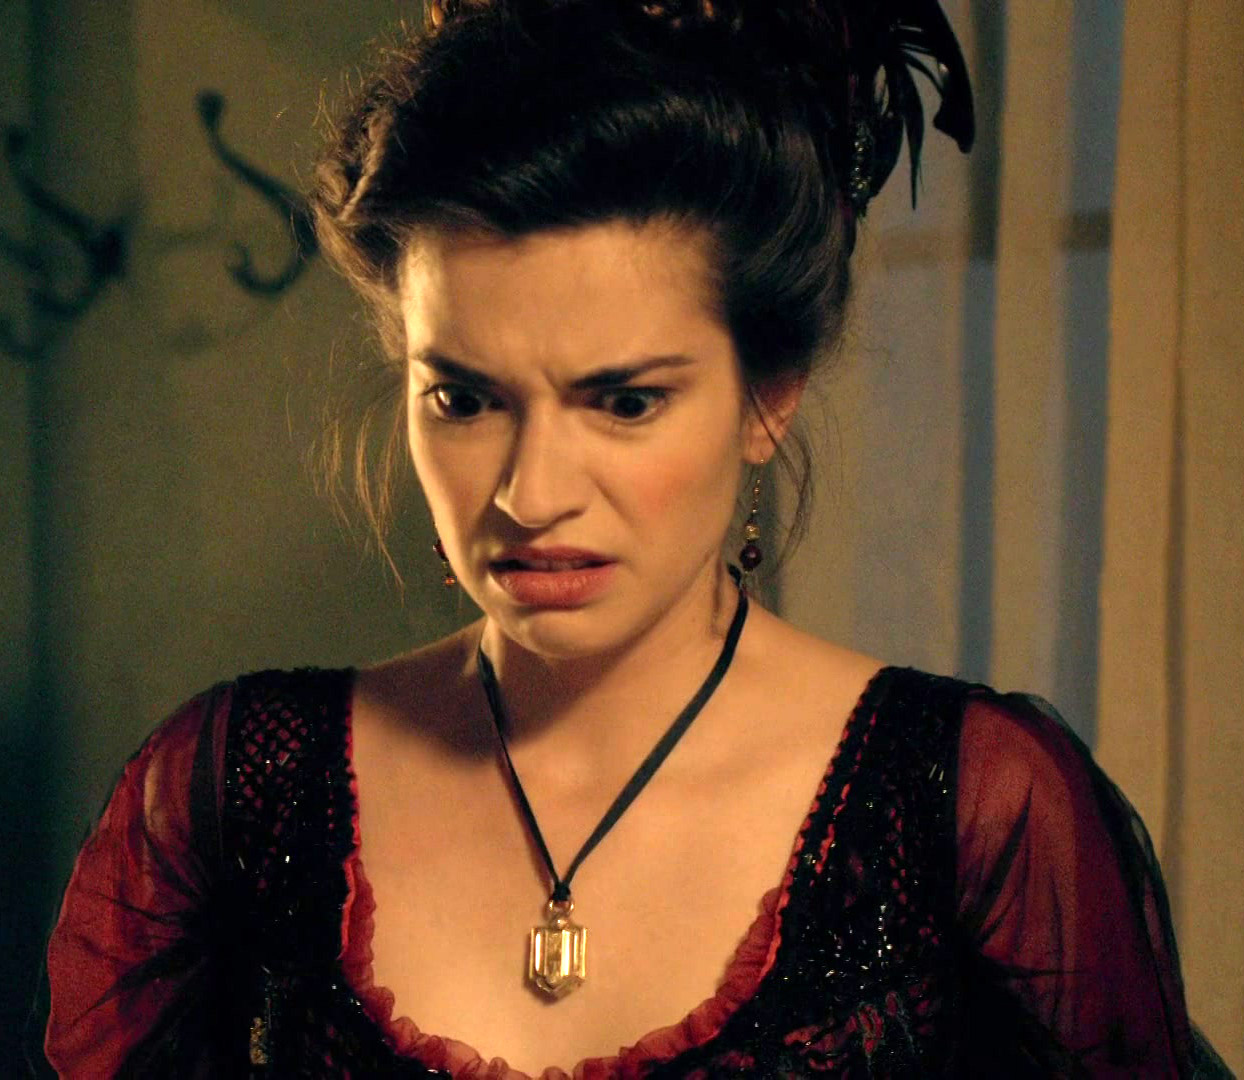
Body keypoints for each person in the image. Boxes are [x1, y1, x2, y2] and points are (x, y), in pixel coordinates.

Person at [44, 1, 1222, 1076]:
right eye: (464, 398)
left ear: (767, 397)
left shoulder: (968, 807)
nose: (530, 494)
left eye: (623, 401)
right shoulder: (230, 788)